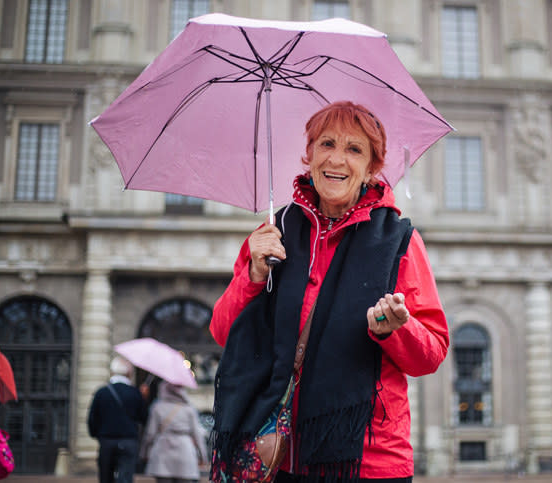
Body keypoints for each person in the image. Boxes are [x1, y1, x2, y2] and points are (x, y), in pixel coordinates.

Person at [210, 100, 449, 482]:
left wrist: (395, 330)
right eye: (327, 144)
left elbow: (431, 355)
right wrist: (253, 274)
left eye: (354, 149)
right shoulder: (272, 233)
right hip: (282, 453)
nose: (337, 159)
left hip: (368, 460)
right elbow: (223, 331)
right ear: (309, 154)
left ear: (372, 167)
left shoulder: (400, 241)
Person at [88, 356, 149, 483]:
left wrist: (99, 435)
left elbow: (92, 419)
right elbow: (144, 418)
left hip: (107, 441)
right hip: (128, 441)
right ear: (129, 373)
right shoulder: (135, 393)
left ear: (112, 372)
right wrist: (143, 398)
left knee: (106, 477)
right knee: (125, 478)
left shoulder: (101, 392)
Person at [140, 380, 208, 483]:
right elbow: (197, 435)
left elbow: (150, 433)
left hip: (163, 451)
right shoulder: (188, 409)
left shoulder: (157, 407)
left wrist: (144, 452)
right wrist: (203, 456)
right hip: (185, 451)